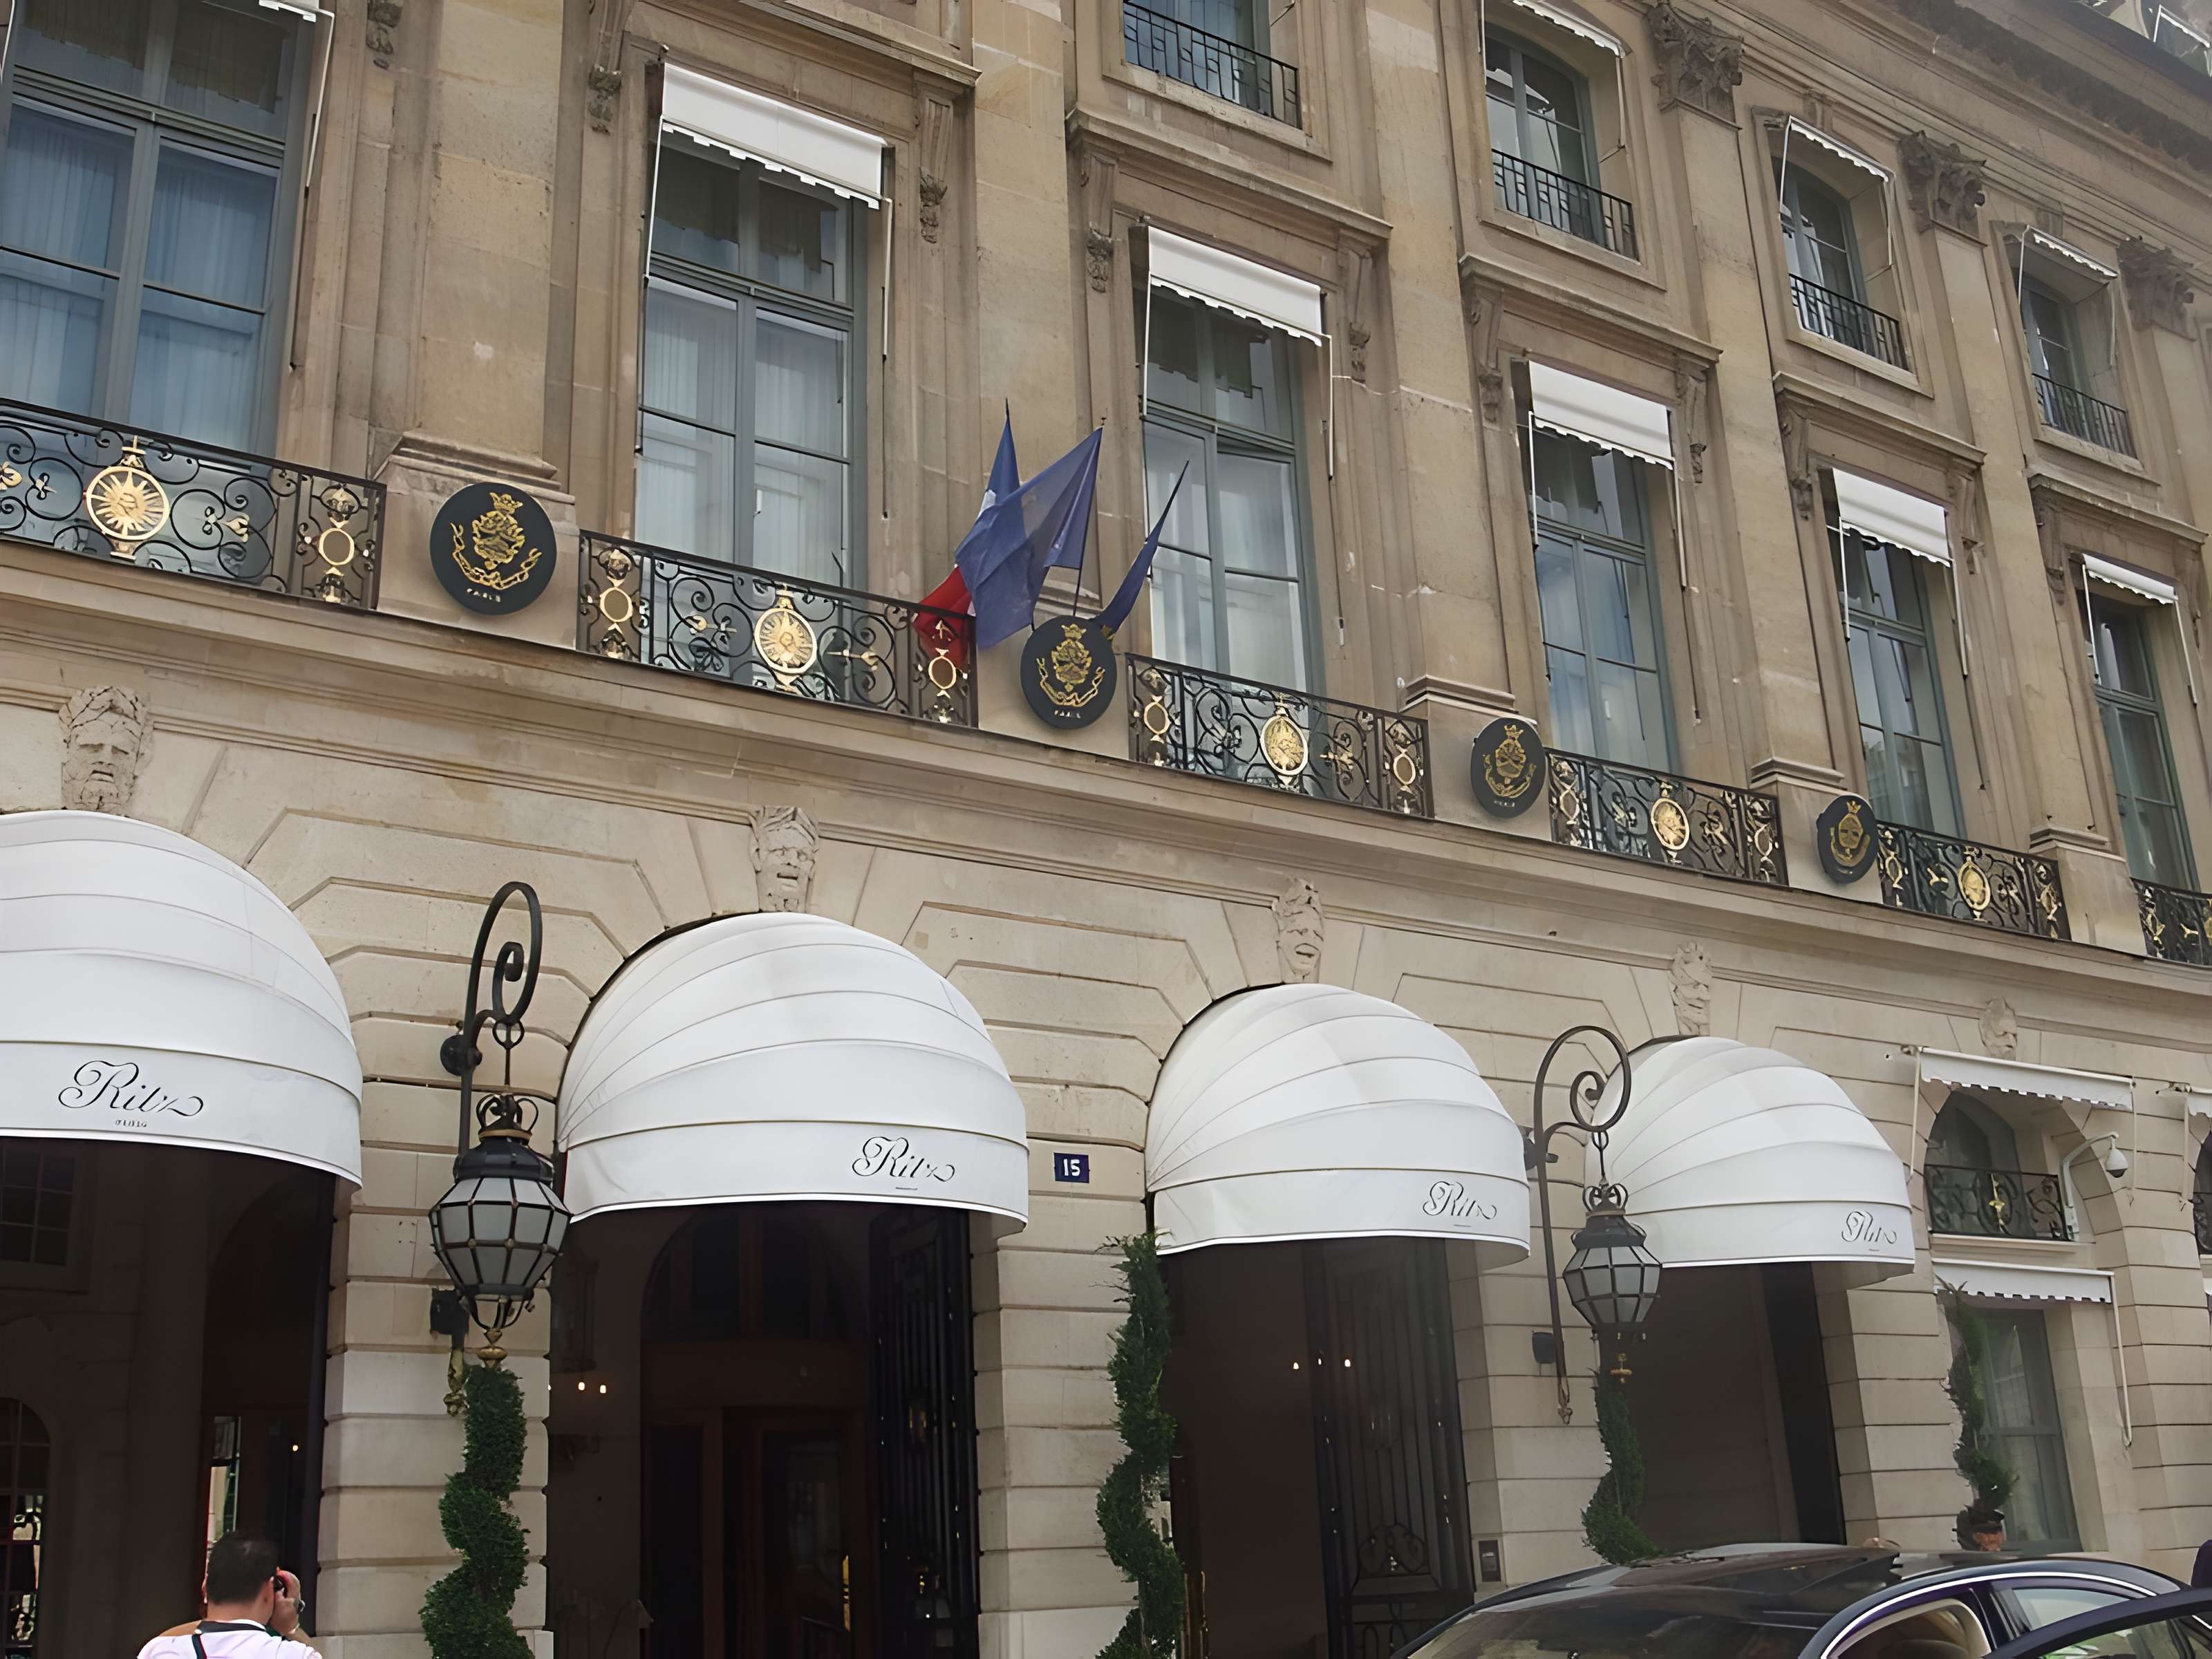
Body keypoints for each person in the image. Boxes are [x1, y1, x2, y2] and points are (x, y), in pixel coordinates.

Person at [138, 1533, 316, 1659]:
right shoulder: (292, 1654)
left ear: (205, 1587)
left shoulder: (161, 1652)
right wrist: (290, 1628)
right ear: (268, 1592)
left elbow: (161, 1640)